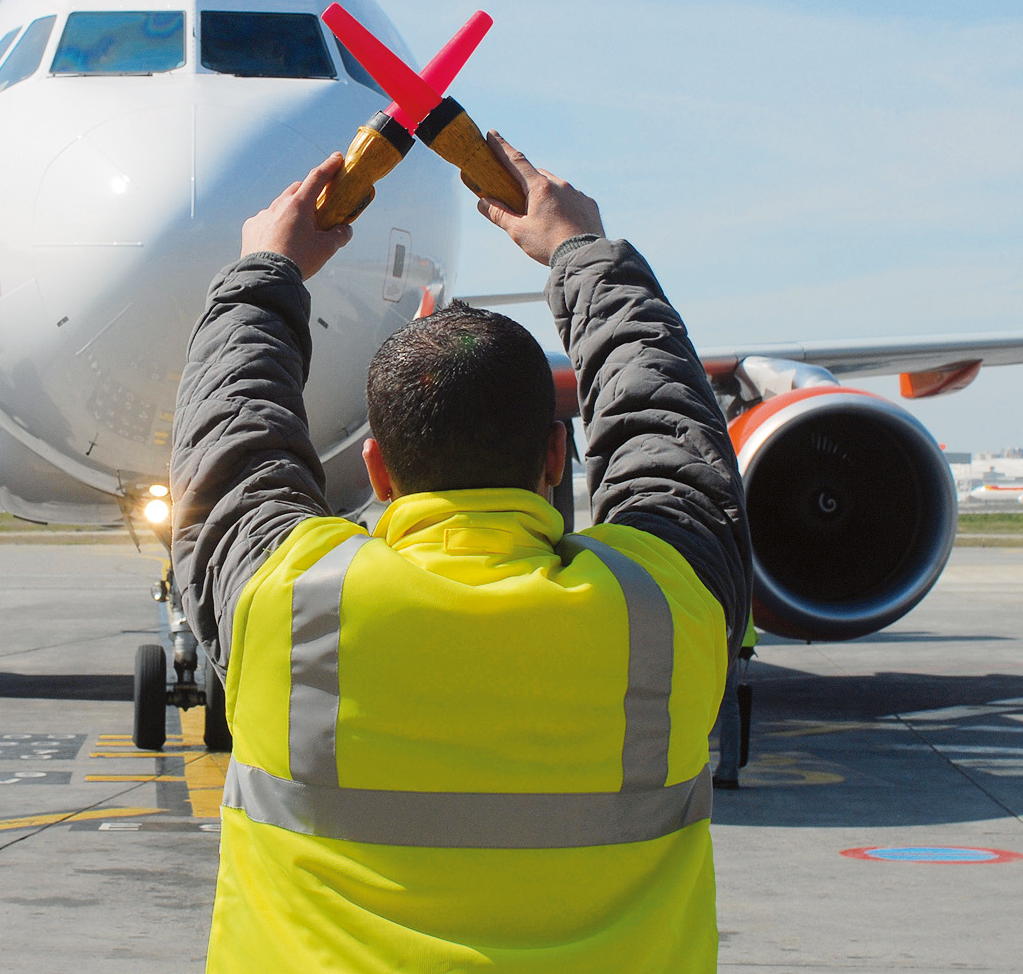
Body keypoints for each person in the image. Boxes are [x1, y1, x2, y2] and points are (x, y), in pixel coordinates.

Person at [169, 136, 751, 972]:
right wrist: (580, 255)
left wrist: (267, 267)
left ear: (377, 467)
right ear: (557, 459)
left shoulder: (288, 599)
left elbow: (227, 437)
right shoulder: (662, 606)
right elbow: (667, 436)